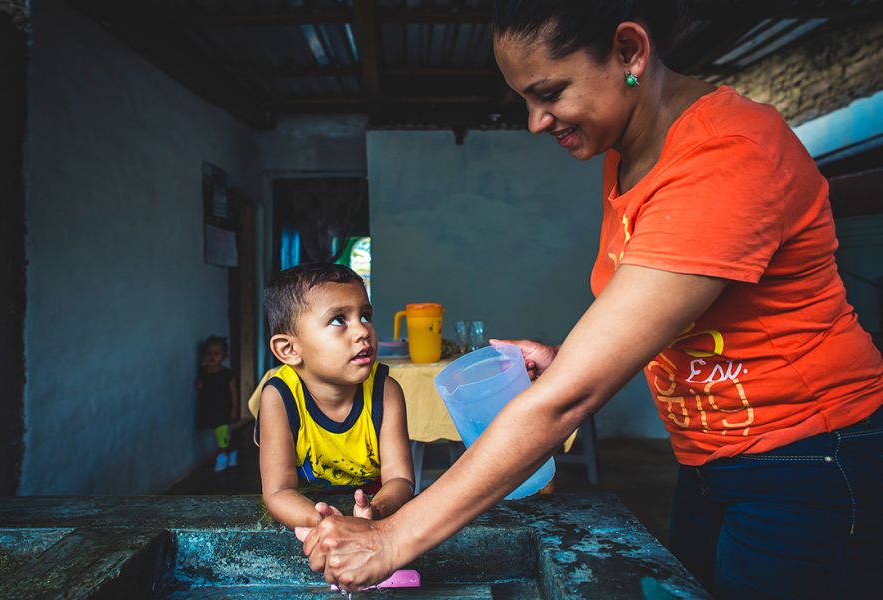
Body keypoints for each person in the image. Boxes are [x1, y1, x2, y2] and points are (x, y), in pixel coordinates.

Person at [293, 1, 883, 597]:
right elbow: (660, 314)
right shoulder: (627, 156)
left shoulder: (726, 154)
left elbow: (568, 400)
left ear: (629, 51)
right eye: (524, 99)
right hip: (711, 458)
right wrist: (565, 355)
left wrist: (394, 538)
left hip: (810, 454)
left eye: (549, 92)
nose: (535, 121)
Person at [256, 263, 415, 529]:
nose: (363, 331)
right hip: (304, 515)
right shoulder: (280, 398)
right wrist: (320, 520)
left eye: (365, 315)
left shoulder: (385, 390)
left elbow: (400, 479)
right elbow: (278, 492)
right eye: (339, 320)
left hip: (371, 510)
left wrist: (374, 511)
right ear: (289, 349)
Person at [195, 335, 239, 472]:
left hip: (223, 410)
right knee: (218, 435)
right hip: (208, 409)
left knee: (222, 436)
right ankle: (231, 453)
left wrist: (234, 408)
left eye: (216, 353)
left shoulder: (226, 374)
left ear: (224, 356)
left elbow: (233, 392)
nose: (212, 357)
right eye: (208, 353)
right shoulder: (202, 372)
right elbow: (200, 385)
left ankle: (223, 457)